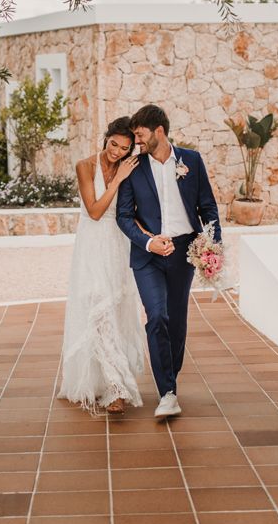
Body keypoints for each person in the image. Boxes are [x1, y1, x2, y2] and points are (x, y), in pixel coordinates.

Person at [116, 104, 221, 419]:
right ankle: (168, 392)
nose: (137, 141)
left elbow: (208, 208)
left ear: (158, 131)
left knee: (176, 320)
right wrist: (149, 242)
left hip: (184, 252)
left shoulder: (191, 161)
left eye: (140, 134)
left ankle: (169, 377)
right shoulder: (134, 167)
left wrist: (213, 248)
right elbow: (124, 216)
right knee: (157, 316)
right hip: (148, 254)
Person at [59, 116, 145, 414]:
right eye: (113, 144)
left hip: (118, 246)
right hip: (92, 244)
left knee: (116, 312)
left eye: (124, 148)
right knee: (98, 310)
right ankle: (117, 387)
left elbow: (133, 208)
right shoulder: (85, 166)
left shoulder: (130, 167)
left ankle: (112, 383)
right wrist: (119, 179)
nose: (117, 152)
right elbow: (95, 210)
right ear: (105, 138)